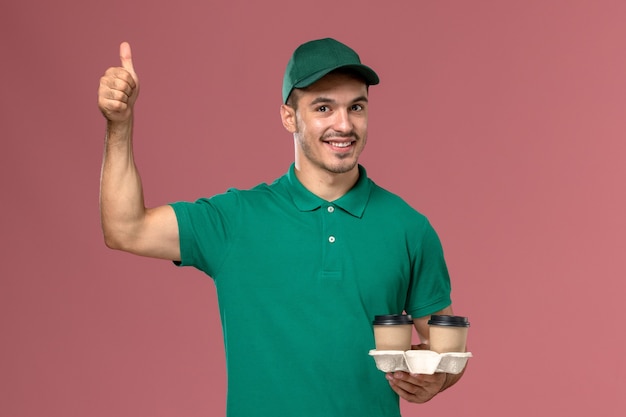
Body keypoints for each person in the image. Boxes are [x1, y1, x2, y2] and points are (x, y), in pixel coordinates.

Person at [98, 37, 466, 417]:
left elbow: (448, 351)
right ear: (289, 116)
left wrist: (437, 380)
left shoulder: (408, 227)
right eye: (323, 107)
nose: (344, 124)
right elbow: (125, 228)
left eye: (356, 107)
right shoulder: (237, 219)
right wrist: (120, 126)